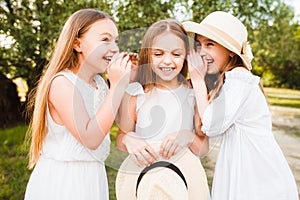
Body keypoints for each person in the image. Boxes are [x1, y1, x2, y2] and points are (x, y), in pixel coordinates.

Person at [183, 11, 299, 200]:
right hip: (241, 168)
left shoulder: (240, 78)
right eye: (199, 45)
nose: (202, 51)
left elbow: (210, 125)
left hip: (256, 176)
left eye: (209, 44)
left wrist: (196, 80)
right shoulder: (228, 81)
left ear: (230, 51)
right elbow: (203, 125)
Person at [24, 8, 134, 200]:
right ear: (77, 44)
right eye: (105, 39)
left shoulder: (99, 83)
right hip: (65, 182)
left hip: (93, 177)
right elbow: (91, 139)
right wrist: (116, 86)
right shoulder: (62, 84)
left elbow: (120, 121)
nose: (115, 48)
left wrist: (128, 81)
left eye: (116, 41)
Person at [115, 19, 210, 200]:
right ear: (148, 55)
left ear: (186, 57)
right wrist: (129, 138)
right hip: (149, 187)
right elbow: (120, 138)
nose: (167, 61)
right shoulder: (136, 94)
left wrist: (187, 136)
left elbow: (203, 147)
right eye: (158, 54)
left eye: (176, 54)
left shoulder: (193, 94)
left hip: (183, 186)